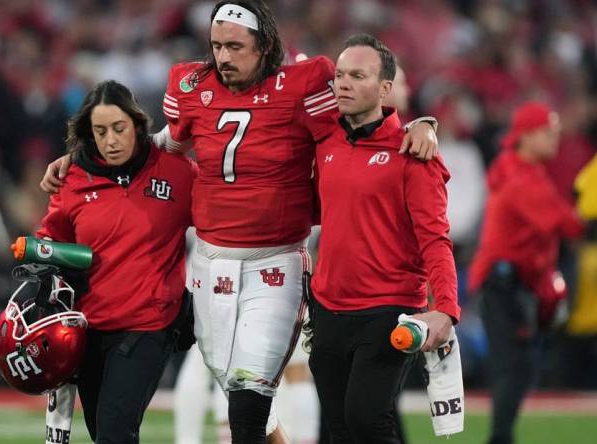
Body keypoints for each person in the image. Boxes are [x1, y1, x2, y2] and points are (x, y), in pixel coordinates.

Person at [42, 2, 439, 442]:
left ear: (265, 45)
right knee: (238, 391)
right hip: (211, 264)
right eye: (216, 46)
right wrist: (84, 162)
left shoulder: (304, 85)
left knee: (249, 398)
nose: (224, 56)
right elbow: (160, 146)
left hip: (275, 263)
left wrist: (421, 124)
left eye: (235, 46)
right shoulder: (193, 84)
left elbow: (359, 126)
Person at [308, 33, 460, 443]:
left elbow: (435, 239)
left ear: (386, 89)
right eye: (339, 75)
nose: (343, 83)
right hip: (328, 309)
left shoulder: (413, 153)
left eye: (358, 75)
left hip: (388, 310)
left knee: (366, 420)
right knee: (338, 430)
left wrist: (445, 308)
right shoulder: (325, 140)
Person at [36, 80, 196, 443]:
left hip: (149, 325)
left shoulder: (177, 171)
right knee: (103, 432)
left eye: (119, 128)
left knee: (114, 432)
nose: (111, 140)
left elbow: (219, 222)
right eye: (101, 131)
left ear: (138, 125)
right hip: (89, 329)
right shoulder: (71, 180)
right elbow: (52, 242)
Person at [468, 101, 585, 444]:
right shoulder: (521, 178)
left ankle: (501, 437)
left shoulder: (518, 169)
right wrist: (593, 202)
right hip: (504, 284)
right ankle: (500, 439)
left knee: (518, 367)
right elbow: (569, 225)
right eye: (548, 132)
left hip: (511, 284)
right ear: (526, 136)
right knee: (513, 368)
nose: (556, 138)